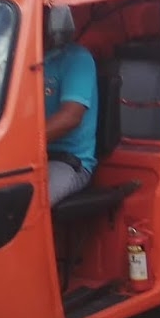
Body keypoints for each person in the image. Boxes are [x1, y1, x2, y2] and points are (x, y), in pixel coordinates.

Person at [43, 21, 99, 206]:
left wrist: (20, 143)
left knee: (31, 202)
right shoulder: (19, 59)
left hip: (67, 161)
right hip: (29, 157)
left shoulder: (77, 59)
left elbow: (70, 117)